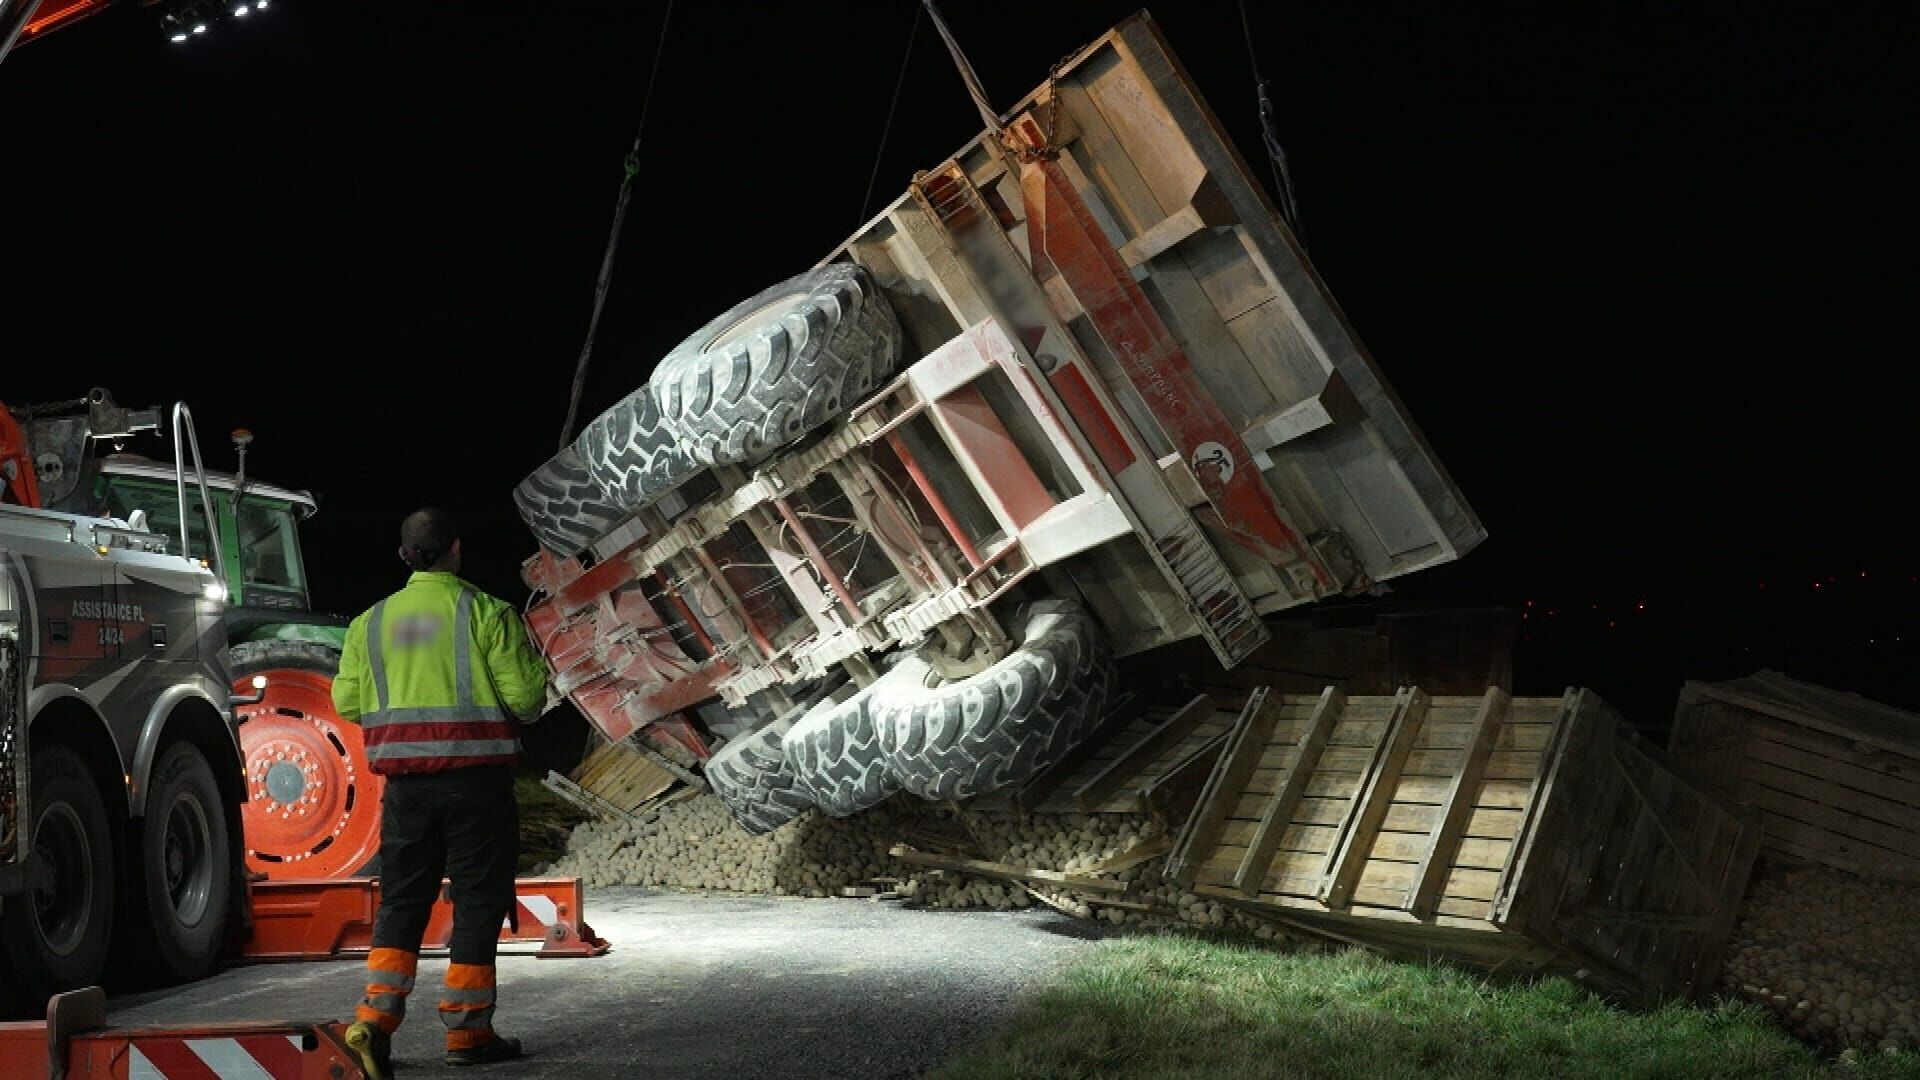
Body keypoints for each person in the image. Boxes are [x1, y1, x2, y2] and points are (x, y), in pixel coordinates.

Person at [332, 507, 550, 1077]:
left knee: (403, 902)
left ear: (404, 557)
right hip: (477, 786)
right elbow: (527, 700)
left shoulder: (369, 624)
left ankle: (373, 1024)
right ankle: (468, 1033)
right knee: (477, 902)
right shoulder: (486, 613)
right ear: (456, 549)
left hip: (405, 791)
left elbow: (349, 704)